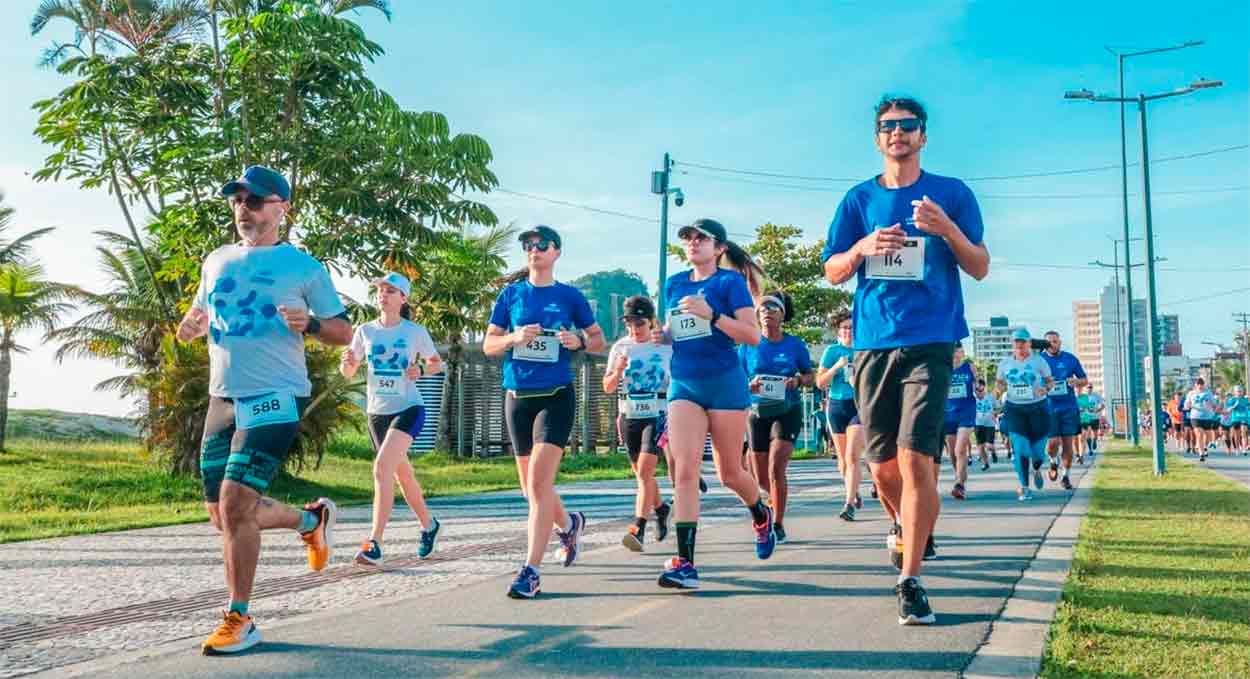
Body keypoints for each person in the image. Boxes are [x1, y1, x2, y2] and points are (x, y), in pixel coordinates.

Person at [821, 95, 989, 625]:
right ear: (877, 138)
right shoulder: (858, 199)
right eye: (888, 127)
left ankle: (909, 579)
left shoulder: (952, 194)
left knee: (918, 462)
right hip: (872, 344)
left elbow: (980, 266)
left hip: (932, 341)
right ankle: (907, 524)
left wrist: (947, 230)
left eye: (908, 126)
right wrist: (864, 247)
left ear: (923, 135)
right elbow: (832, 270)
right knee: (882, 467)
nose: (898, 133)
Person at [177, 166, 353, 654]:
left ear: (282, 208)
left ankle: (240, 617)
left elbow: (343, 331)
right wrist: (189, 327)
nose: (243, 209)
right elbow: (199, 312)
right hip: (223, 396)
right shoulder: (215, 260)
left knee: (236, 505)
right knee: (222, 516)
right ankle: (310, 522)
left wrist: (312, 325)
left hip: (276, 394)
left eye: (254, 201)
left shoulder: (303, 267)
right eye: (237, 201)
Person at [483, 225, 607, 599]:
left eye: (541, 245)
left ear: (556, 252)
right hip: (518, 395)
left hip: (556, 395)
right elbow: (489, 344)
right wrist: (513, 339)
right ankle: (569, 524)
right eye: (527, 246)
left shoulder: (569, 296)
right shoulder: (511, 294)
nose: (533, 250)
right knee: (530, 489)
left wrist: (579, 341)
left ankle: (531, 571)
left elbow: (599, 341)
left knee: (539, 484)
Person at [654, 218, 776, 590]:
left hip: (724, 384)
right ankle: (686, 562)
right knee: (685, 470)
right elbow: (672, 331)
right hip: (685, 385)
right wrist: (661, 336)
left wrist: (713, 316)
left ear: (719, 248)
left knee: (729, 473)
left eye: (701, 238)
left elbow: (752, 336)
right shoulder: (674, 284)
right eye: (688, 237)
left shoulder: (729, 283)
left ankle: (760, 511)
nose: (692, 242)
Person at [340, 272, 444, 566]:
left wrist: (421, 371)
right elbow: (349, 372)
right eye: (380, 290)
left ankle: (374, 542)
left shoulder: (415, 332)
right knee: (401, 474)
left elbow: (437, 363)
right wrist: (346, 364)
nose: (383, 295)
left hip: (408, 408)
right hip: (377, 413)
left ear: (403, 298)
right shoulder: (365, 331)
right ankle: (429, 525)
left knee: (381, 468)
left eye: (390, 290)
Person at [740, 291, 815, 542]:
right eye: (762, 308)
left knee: (776, 468)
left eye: (773, 307)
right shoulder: (748, 345)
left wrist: (796, 380)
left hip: (787, 411)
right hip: (757, 412)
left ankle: (778, 523)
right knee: (759, 475)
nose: (767, 312)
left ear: (783, 314)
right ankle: (771, 503)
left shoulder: (794, 344)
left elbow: (809, 375)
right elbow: (736, 379)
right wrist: (748, 386)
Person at [603, 295, 673, 552]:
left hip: (657, 414)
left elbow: (679, 381)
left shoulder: (665, 346)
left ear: (651, 321)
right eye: (630, 323)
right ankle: (661, 508)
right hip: (629, 414)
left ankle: (639, 527)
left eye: (640, 323)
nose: (634, 329)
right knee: (642, 474)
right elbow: (607, 387)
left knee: (644, 472)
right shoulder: (620, 348)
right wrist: (618, 370)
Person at [816, 311, 868, 521]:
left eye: (851, 328)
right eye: (844, 328)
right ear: (839, 331)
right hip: (837, 406)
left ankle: (848, 505)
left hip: (859, 406)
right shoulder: (832, 351)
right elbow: (820, 383)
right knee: (843, 460)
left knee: (852, 456)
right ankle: (853, 490)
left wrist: (859, 383)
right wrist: (837, 367)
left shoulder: (864, 350)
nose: (848, 331)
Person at [996, 329, 1054, 502]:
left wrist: (1045, 389)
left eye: (1022, 342)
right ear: (1012, 344)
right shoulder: (1005, 363)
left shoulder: (1039, 361)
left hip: (1038, 409)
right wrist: (998, 390)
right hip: (1014, 409)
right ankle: (1024, 487)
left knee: (1037, 454)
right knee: (1021, 449)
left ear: (1029, 343)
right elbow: (1000, 382)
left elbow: (1050, 381)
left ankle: (1036, 468)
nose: (1019, 345)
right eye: (1016, 342)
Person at [1040, 331, 1088, 490]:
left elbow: (1084, 380)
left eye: (1055, 341)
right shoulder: (1039, 360)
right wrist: (1044, 387)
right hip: (1048, 407)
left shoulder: (1070, 358)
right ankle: (1053, 462)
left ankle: (1066, 476)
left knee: (1068, 444)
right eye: (1049, 342)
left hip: (1069, 407)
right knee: (1053, 443)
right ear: (1045, 344)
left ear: (1060, 342)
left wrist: (1076, 381)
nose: (1053, 344)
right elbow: (1031, 382)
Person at [942, 343, 977, 499]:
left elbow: (979, 388)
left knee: (960, 449)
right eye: (953, 352)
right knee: (952, 453)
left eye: (959, 352)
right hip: (947, 414)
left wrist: (980, 389)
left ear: (963, 352)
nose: (956, 355)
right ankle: (960, 477)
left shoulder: (970, 368)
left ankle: (959, 484)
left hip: (966, 413)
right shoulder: (942, 368)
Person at [1184, 378, 1219, 460]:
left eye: (1201, 384)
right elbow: (1186, 405)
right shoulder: (1191, 393)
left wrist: (1213, 406)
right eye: (1198, 384)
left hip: (1207, 417)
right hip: (1195, 417)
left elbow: (1214, 404)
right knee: (1199, 434)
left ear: (1204, 385)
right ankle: (1201, 453)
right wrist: (1188, 406)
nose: (1200, 386)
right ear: (1195, 385)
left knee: (1207, 435)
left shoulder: (1208, 393)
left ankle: (1205, 447)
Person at [973, 379, 999, 471]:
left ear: (984, 387)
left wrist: (994, 413)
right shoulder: (972, 398)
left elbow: (997, 408)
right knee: (980, 446)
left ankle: (993, 452)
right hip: (977, 424)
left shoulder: (990, 397)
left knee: (989, 445)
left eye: (980, 389)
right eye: (976, 389)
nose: (978, 391)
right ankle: (986, 463)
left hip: (989, 424)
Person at [1077, 385, 1105, 460]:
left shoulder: (1096, 396)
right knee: (1088, 433)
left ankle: (1095, 440)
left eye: (1090, 387)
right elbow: (1078, 406)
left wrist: (1098, 410)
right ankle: (1090, 450)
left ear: (1092, 388)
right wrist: (1081, 410)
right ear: (1085, 389)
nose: (1089, 389)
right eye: (1088, 387)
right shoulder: (1083, 397)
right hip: (1086, 417)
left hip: (1095, 417)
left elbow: (1103, 405)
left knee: (1095, 434)